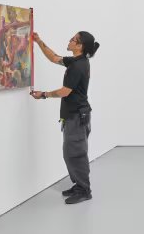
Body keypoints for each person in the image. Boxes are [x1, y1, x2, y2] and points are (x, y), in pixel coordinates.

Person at [30, 30, 99, 204]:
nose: (70, 40)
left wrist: (43, 94)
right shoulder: (76, 61)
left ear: (80, 46)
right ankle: (79, 185)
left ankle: (84, 190)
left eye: (73, 39)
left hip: (77, 117)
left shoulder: (78, 66)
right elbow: (54, 58)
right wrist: (39, 41)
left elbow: (64, 92)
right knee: (70, 153)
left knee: (76, 154)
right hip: (74, 116)